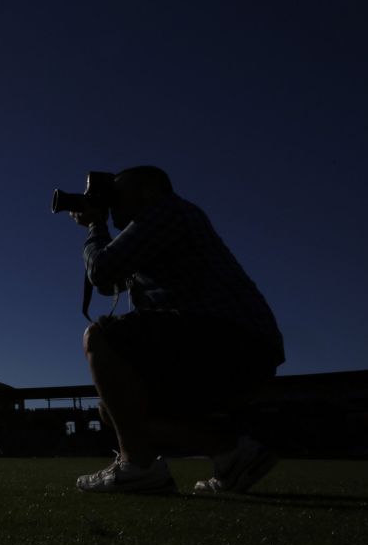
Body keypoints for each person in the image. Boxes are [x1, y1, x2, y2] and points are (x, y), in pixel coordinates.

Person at [68, 165, 284, 494]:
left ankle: (138, 467)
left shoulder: (166, 211)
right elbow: (108, 282)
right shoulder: (161, 227)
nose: (113, 206)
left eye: (118, 196)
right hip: (234, 344)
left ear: (149, 191)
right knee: (114, 409)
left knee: (101, 337)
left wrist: (96, 224)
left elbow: (102, 269)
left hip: (230, 338)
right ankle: (234, 455)